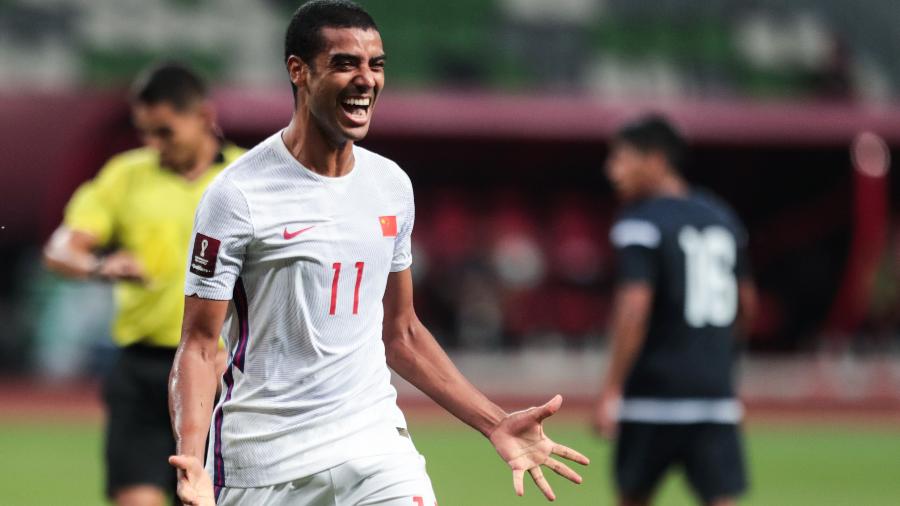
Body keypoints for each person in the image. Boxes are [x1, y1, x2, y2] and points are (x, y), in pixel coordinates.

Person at [167, 1, 589, 505]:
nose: (366, 79)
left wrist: (495, 423)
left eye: (376, 65)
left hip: (373, 446)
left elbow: (403, 333)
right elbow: (197, 344)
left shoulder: (390, 185)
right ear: (298, 71)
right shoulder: (236, 196)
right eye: (346, 63)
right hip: (265, 462)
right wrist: (192, 460)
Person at [43, 63, 243, 506]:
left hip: (220, 373)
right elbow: (61, 247)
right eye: (145, 132)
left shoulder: (246, 178)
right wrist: (98, 265)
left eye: (165, 132)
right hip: (142, 370)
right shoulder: (126, 174)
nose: (153, 144)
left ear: (203, 116)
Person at [593, 115, 758, 506]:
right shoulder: (722, 217)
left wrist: (612, 388)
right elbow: (747, 302)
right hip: (714, 393)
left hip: (653, 393)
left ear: (655, 160)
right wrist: (722, 361)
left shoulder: (640, 222)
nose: (611, 169)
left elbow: (634, 308)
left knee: (633, 495)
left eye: (621, 158)